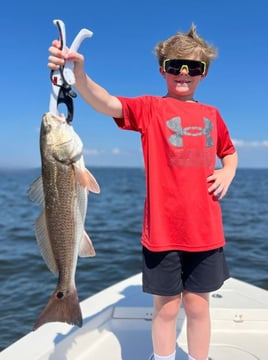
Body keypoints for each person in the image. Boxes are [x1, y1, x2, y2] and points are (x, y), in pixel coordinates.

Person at [48, 24, 238, 360]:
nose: (184, 73)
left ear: (204, 73)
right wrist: (78, 73)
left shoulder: (213, 115)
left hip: (207, 234)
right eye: (175, 66)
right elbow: (106, 102)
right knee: (165, 310)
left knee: (197, 306)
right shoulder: (150, 108)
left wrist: (229, 170)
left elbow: (229, 150)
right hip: (162, 235)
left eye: (194, 67)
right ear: (162, 69)